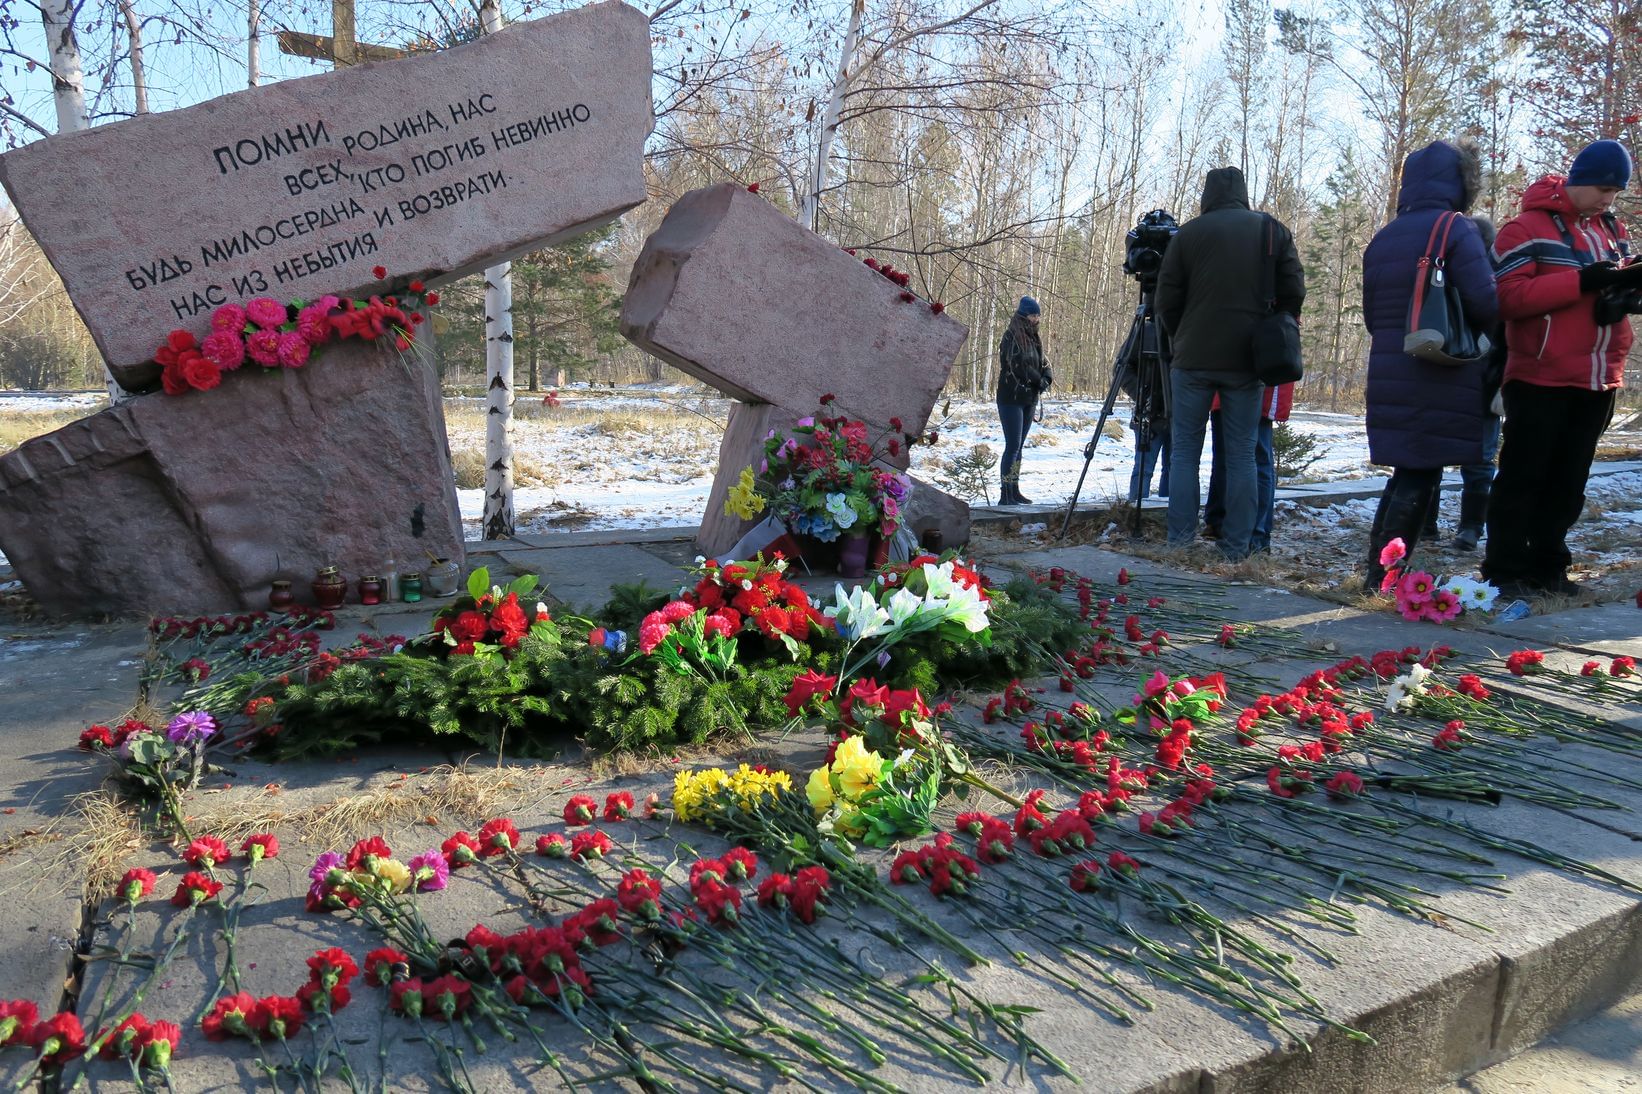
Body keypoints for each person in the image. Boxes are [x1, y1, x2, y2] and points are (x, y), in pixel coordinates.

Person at [1483, 139, 1640, 597]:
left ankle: (1549, 567)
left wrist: (1628, 288)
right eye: (1602, 188)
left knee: (1570, 481)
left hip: (1599, 373)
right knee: (1524, 475)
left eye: (1616, 192)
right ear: (1578, 180)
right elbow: (1504, 298)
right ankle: (1504, 570)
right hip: (1540, 373)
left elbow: (1611, 290)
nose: (1609, 199)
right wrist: (1581, 281)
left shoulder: (1613, 228)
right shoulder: (1524, 228)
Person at [1360, 139, 1499, 591]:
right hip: (1438, 370)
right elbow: (1486, 302)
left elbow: (1370, 315)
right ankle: (1387, 576)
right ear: (1460, 183)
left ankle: (1375, 570)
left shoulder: (1383, 238)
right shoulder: (1455, 229)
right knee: (1421, 472)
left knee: (1407, 468)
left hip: (1390, 367)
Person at [1155, 166, 1304, 559]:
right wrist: (1270, 328)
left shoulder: (1187, 234)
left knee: (1185, 451)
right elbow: (1295, 290)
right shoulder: (1270, 229)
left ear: (1207, 195)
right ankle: (1236, 549)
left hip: (1192, 358)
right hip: (1247, 361)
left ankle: (1180, 544)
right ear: (1242, 192)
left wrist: (1181, 336)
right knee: (1241, 454)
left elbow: (1165, 300)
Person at [996, 295, 1051, 505]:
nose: (1037, 318)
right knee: (1013, 445)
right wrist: (1038, 379)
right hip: (1011, 397)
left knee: (1019, 447)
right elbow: (1016, 365)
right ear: (1025, 315)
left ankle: (1015, 488)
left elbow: (1044, 362)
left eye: (1038, 315)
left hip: (1029, 397)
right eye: (1034, 315)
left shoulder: (1035, 337)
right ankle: (1005, 492)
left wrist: (1047, 378)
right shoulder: (1011, 336)